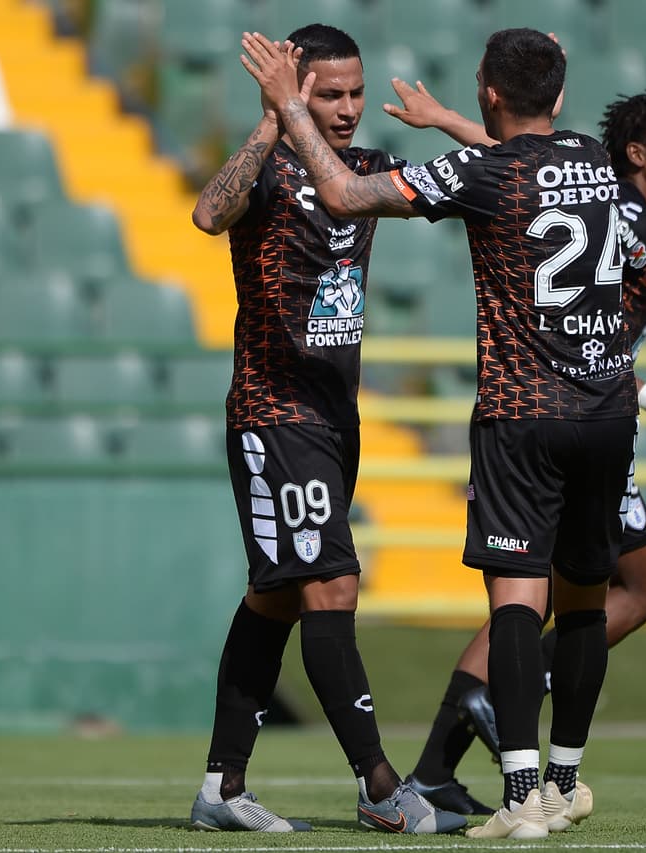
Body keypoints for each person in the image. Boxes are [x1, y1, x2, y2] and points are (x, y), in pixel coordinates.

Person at [242, 27, 646, 838]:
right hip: (611, 409)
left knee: (516, 600)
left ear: (488, 92)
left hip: (524, 412)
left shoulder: (487, 171)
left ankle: (522, 798)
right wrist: (451, 122)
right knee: (587, 598)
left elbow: (349, 196)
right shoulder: (594, 161)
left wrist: (289, 105)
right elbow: (519, 157)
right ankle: (565, 781)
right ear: (560, 97)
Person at [392, 87, 646, 815]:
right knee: (589, 588)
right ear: (636, 154)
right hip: (579, 417)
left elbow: (522, 164)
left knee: (550, 588)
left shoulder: (598, 190)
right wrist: (639, 396)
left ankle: (460, 745)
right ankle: (505, 713)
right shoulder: (622, 210)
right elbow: (581, 335)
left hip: (581, 407)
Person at [186, 23, 465, 835]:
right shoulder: (266, 172)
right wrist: (273, 119)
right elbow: (208, 214)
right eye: (328, 94)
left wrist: (454, 124)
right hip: (275, 413)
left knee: (272, 597)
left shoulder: (366, 173)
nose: (347, 109)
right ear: (296, 89)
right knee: (331, 586)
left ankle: (222, 788)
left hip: (335, 416)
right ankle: (380, 784)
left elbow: (484, 181)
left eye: (354, 92)